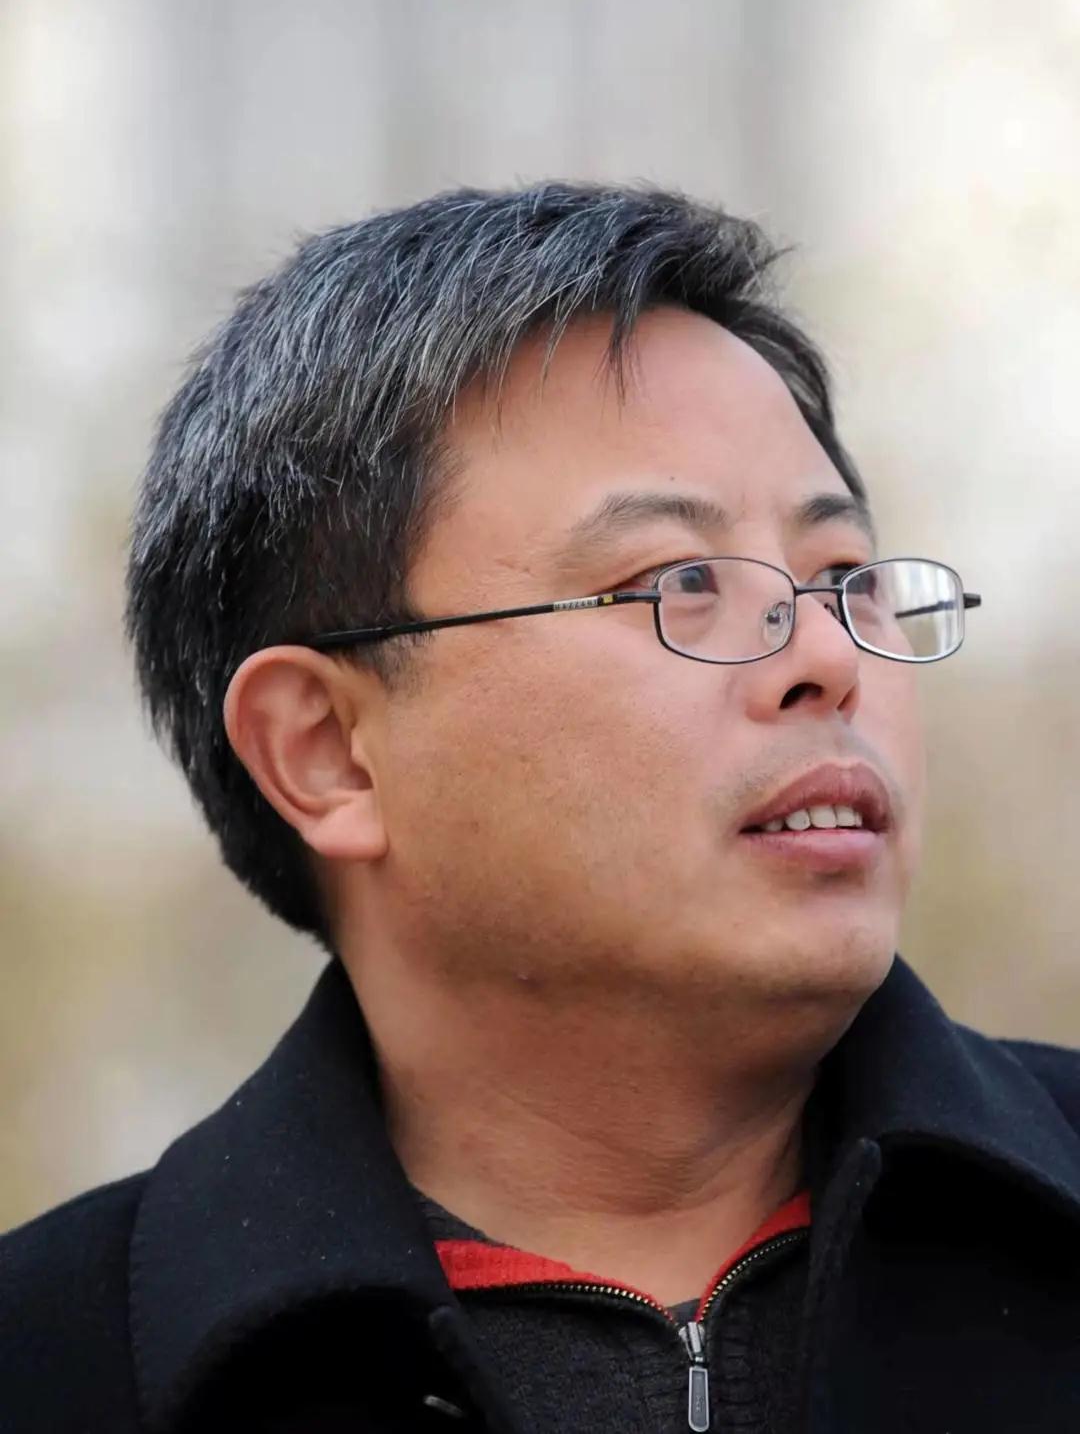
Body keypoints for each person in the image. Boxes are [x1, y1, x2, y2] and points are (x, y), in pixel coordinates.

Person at [2, 181, 1077, 1434]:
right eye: (679, 579)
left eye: (844, 576)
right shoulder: (58, 1365)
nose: (830, 659)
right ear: (328, 753)